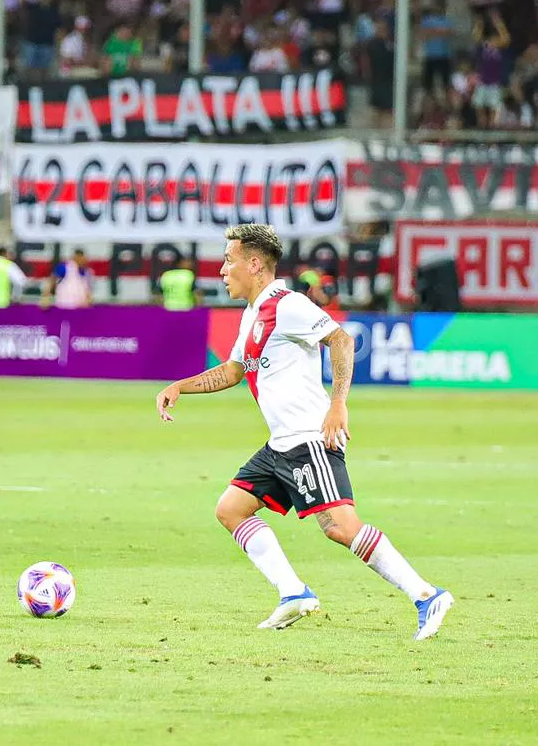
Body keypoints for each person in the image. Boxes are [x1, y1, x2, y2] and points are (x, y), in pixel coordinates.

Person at [153, 223, 453, 641]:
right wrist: (178, 387)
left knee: (341, 528)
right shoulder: (252, 313)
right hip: (280, 445)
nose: (223, 269)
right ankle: (293, 593)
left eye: (229, 260)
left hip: (309, 439)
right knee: (231, 509)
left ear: (254, 264)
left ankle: (426, 595)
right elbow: (233, 371)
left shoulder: (288, 304)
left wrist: (338, 403)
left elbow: (342, 340)